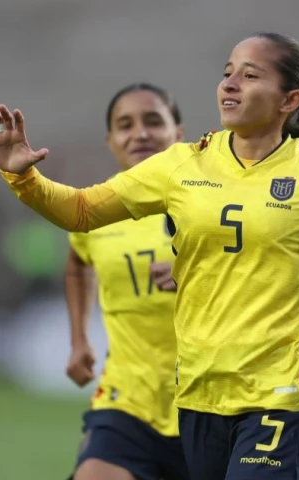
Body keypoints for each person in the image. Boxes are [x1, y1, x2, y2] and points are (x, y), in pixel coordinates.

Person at [0, 32, 299, 480]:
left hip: (284, 396)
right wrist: (24, 177)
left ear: (289, 100)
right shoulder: (180, 166)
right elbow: (82, 211)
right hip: (200, 395)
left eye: (250, 75)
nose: (230, 84)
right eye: (228, 72)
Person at [62, 83, 189, 480]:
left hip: (212, 406)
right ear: (111, 140)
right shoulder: (96, 210)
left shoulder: (211, 204)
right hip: (127, 400)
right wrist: (79, 339)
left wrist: (198, 272)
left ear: (178, 134)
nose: (140, 133)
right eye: (125, 125)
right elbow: (78, 263)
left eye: (153, 121)